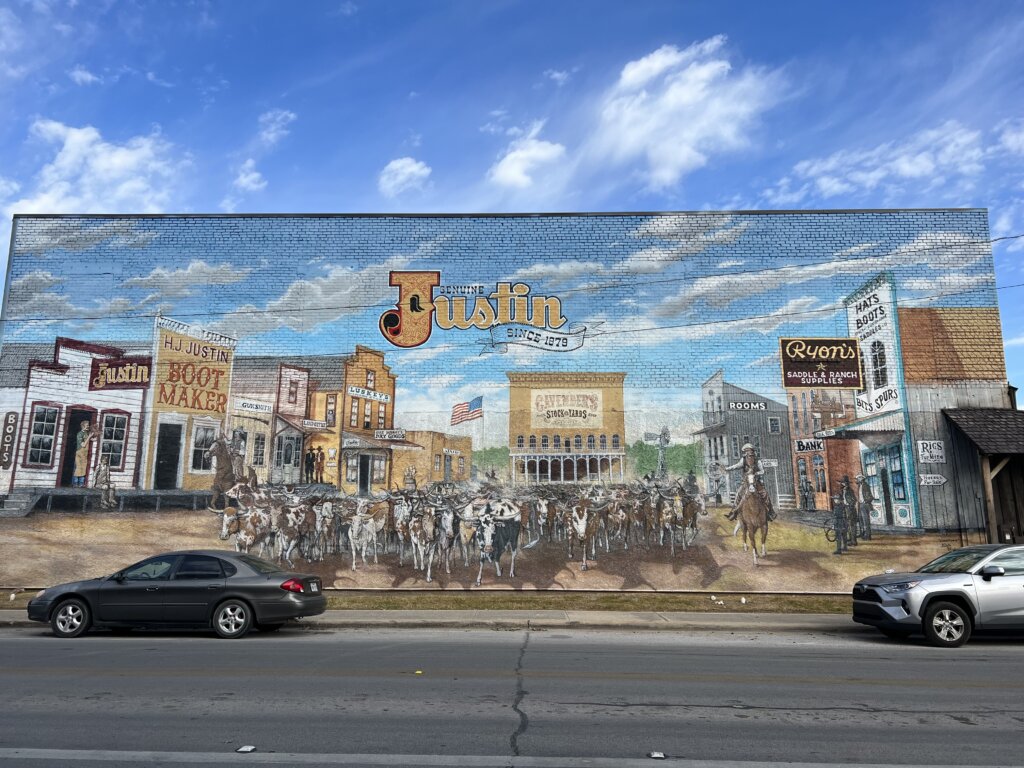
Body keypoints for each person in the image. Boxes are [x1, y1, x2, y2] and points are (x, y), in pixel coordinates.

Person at [723, 443, 776, 522]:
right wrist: (727, 469)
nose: (749, 455)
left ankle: (771, 512)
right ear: (745, 453)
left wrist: (756, 473)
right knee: (738, 494)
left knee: (765, 494)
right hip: (746, 482)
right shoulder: (743, 460)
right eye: (747, 452)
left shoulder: (758, 461)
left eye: (751, 452)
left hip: (756, 482)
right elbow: (736, 466)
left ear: (753, 452)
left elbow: (762, 471)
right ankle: (733, 513)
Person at [72, 420, 97, 487]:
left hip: (85, 453)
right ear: (83, 426)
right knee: (78, 467)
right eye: (87, 425)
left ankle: (81, 483)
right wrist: (89, 437)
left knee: (83, 467)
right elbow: (83, 445)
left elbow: (92, 440)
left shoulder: (86, 433)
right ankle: (75, 483)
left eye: (88, 425)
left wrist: (95, 435)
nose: (88, 427)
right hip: (80, 452)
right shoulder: (80, 434)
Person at [839, 475, 858, 547]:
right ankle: (851, 539)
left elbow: (854, 500)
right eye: (843, 483)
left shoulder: (850, 491)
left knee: (852, 525)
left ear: (847, 483)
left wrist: (850, 505)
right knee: (848, 525)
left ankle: (854, 541)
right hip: (846, 509)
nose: (843, 484)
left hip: (850, 510)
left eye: (844, 483)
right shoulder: (843, 490)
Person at [855, 473, 874, 541]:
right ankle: (862, 533)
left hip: (865, 505)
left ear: (862, 479)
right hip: (861, 505)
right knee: (861, 520)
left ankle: (868, 536)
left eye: (858, 478)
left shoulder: (866, 486)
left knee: (866, 521)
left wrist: (865, 501)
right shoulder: (859, 486)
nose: (857, 480)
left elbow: (870, 496)